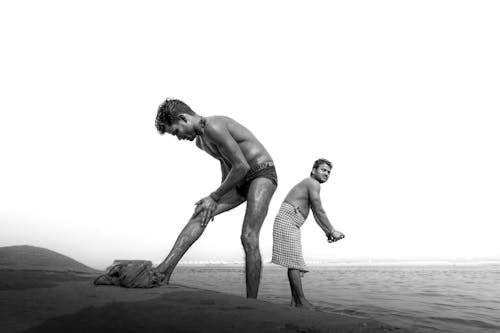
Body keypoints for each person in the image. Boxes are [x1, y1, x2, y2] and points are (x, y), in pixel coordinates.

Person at [154, 98, 278, 299]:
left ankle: (252, 303)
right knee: (202, 212)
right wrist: (216, 197)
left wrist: (215, 196)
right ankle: (163, 271)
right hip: (240, 179)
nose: (178, 138)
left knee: (248, 236)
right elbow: (226, 163)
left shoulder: (214, 125)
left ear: (183, 118)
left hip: (262, 173)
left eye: (175, 131)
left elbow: (242, 166)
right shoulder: (201, 143)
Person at [271, 158, 344, 308]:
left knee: (294, 262)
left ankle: (294, 302)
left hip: (291, 222)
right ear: (313, 170)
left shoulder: (311, 185)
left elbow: (317, 215)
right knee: (294, 263)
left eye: (329, 172)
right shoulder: (313, 183)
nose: (326, 174)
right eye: (323, 170)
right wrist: (332, 230)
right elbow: (319, 209)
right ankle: (302, 301)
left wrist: (327, 232)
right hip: (288, 220)